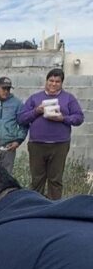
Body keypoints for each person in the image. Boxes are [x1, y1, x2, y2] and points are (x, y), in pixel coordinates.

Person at [18, 68, 84, 200]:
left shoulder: (68, 98)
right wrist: (37, 111)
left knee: (55, 180)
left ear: (61, 83)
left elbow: (79, 118)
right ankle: (36, 207)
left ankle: (54, 209)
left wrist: (63, 118)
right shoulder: (35, 98)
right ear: (46, 81)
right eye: (51, 80)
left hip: (59, 145)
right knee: (37, 179)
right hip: (37, 144)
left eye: (57, 81)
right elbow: (21, 118)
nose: (53, 84)